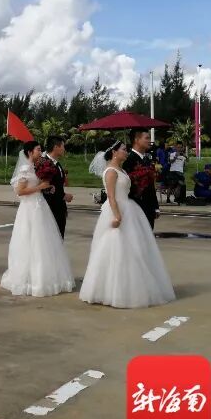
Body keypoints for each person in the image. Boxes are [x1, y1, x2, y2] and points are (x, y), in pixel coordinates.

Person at [80, 140, 175, 308]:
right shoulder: (111, 171)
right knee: (114, 249)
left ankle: (132, 287)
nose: (126, 152)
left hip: (129, 209)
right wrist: (117, 216)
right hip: (117, 210)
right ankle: (109, 290)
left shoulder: (122, 170)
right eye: (123, 149)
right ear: (114, 152)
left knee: (133, 250)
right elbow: (111, 196)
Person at [1, 142, 75, 297]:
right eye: (38, 150)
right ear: (30, 152)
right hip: (29, 208)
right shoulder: (25, 169)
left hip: (40, 206)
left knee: (44, 241)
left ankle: (46, 275)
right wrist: (40, 187)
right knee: (30, 240)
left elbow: (41, 185)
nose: (41, 152)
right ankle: (30, 277)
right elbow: (20, 191)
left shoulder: (37, 167)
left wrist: (48, 187)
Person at [122, 129, 160, 229]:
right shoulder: (129, 160)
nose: (149, 141)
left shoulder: (147, 159)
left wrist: (155, 207)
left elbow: (151, 185)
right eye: (147, 138)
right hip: (135, 207)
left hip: (149, 207)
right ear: (136, 140)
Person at [41, 135, 73, 238]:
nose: (64, 149)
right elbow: (45, 188)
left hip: (59, 209)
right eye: (63, 146)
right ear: (56, 147)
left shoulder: (57, 163)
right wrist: (63, 196)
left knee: (59, 239)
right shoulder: (44, 164)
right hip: (51, 209)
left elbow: (57, 184)